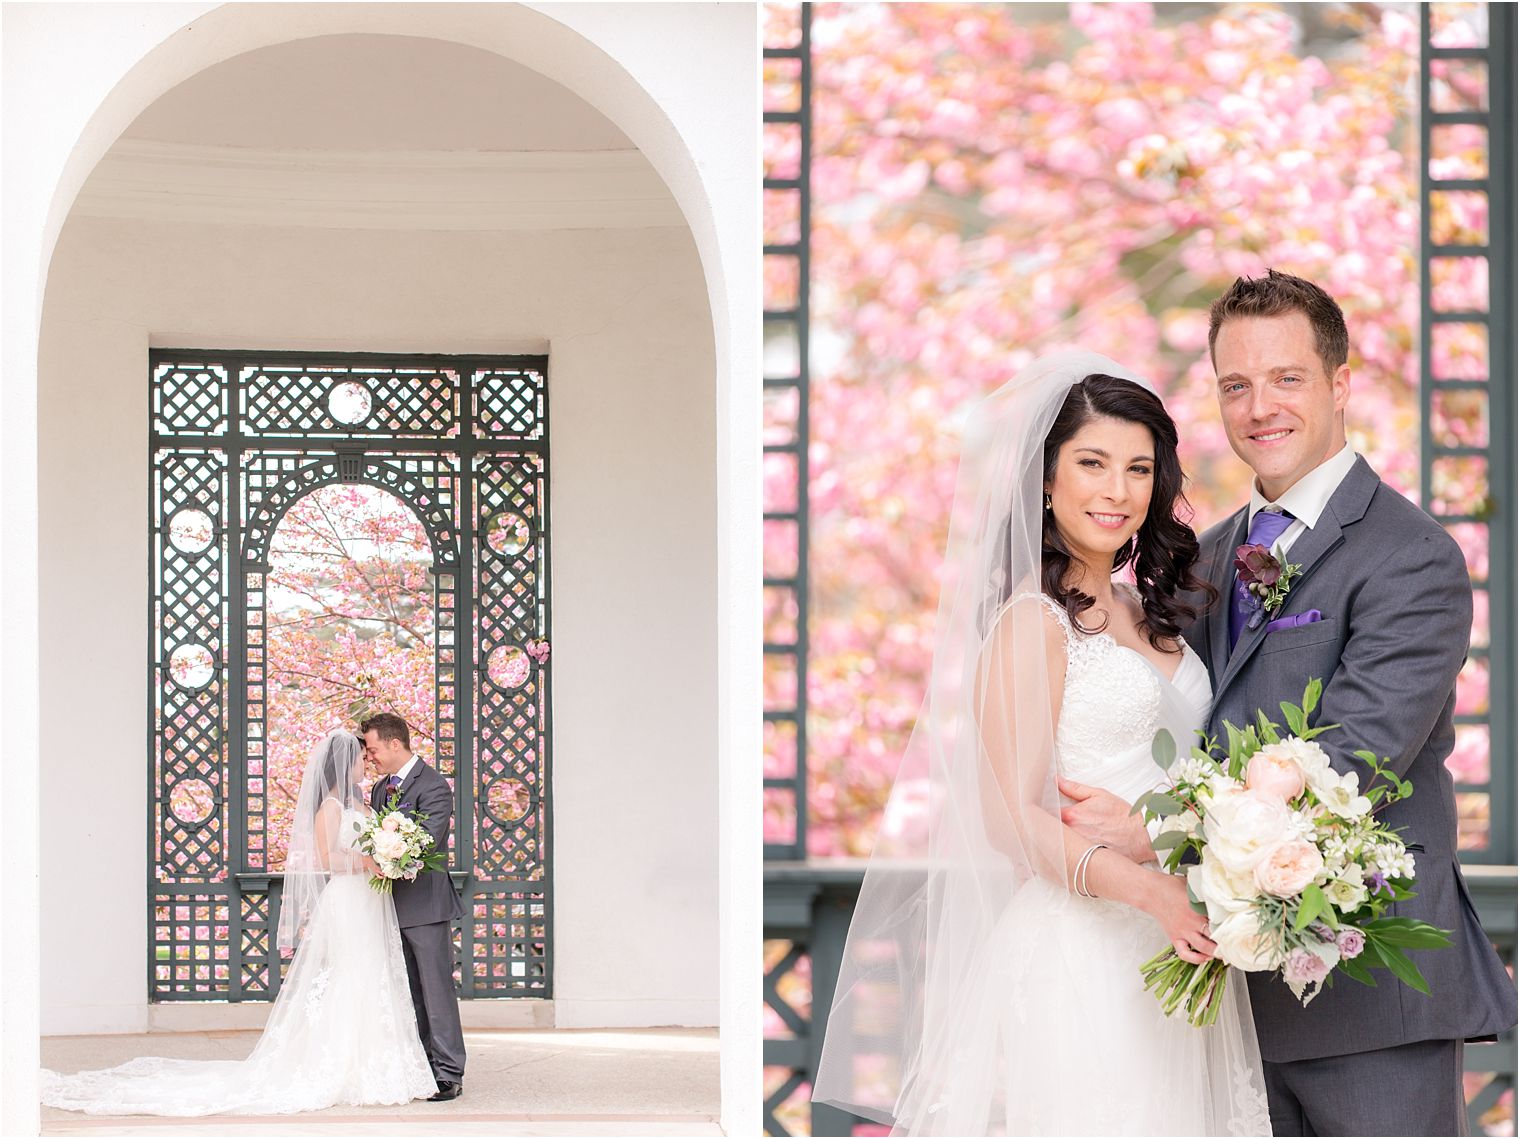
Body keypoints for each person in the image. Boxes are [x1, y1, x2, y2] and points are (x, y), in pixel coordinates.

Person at [1063, 270, 1516, 1136]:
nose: (1259, 406)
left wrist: (1152, 832)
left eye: (1287, 378)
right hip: (1217, 1009)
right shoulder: (1202, 559)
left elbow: (1350, 762)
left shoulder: (1411, 557)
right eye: (1236, 384)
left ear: (1341, 383)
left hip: (1369, 1005)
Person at [812, 351, 1271, 1136]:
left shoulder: (1146, 609)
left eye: (1137, 468)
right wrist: (1149, 890)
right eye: (1091, 463)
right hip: (1082, 949)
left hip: (1178, 945)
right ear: (1047, 479)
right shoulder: (1034, 622)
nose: (1117, 490)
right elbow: (1007, 817)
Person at [41, 730, 438, 1115]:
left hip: (372, 902)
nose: (366, 760)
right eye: (360, 756)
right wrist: (370, 861)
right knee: (349, 977)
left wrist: (391, 853)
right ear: (343, 763)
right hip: (348, 902)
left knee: (376, 976)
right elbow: (324, 861)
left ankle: (381, 1065)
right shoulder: (330, 809)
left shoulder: (367, 804)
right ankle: (345, 1068)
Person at [360, 711, 467, 1102]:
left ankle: (449, 1073)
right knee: (409, 993)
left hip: (426, 906)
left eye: (373, 749)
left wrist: (389, 855)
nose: (370, 757)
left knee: (436, 991)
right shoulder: (378, 789)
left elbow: (427, 842)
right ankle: (421, 1065)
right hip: (387, 906)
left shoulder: (434, 785)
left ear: (394, 743)